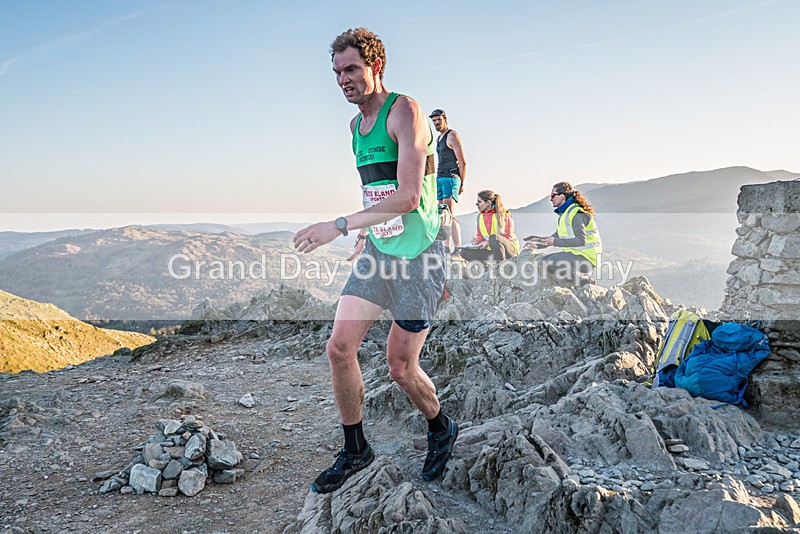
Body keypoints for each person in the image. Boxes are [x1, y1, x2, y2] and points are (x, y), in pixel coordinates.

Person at [293, 27, 458, 494]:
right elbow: (376, 189)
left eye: (351, 69)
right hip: (379, 254)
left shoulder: (404, 110)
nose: (343, 79)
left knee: (400, 368)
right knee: (339, 348)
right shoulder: (354, 128)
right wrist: (366, 234)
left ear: (375, 67)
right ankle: (356, 449)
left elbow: (406, 196)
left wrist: (339, 225)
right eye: (337, 72)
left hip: (422, 257)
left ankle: (441, 425)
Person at [525, 181, 602, 285]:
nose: (551, 199)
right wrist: (537, 245)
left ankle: (585, 281)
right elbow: (556, 236)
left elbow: (581, 240)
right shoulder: (566, 213)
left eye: (553, 195)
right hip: (575, 255)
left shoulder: (576, 213)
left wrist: (554, 242)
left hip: (586, 258)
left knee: (550, 261)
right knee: (545, 261)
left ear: (562, 196)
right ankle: (576, 280)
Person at [429, 109, 466, 252]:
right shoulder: (438, 139)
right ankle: (445, 247)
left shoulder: (452, 135)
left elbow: (462, 162)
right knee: (441, 215)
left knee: (448, 215)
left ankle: (457, 248)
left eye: (439, 120)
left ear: (445, 119)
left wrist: (461, 183)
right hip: (439, 177)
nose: (436, 123)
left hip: (451, 177)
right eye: (434, 121)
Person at [459, 189, 520, 262]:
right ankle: (485, 268)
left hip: (509, 252)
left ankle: (502, 265)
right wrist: (477, 240)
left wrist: (488, 242)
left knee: (494, 238)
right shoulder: (479, 217)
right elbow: (480, 236)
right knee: (464, 252)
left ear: (488, 202)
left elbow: (507, 237)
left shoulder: (504, 215)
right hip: (493, 251)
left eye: (479, 202)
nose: (476, 204)